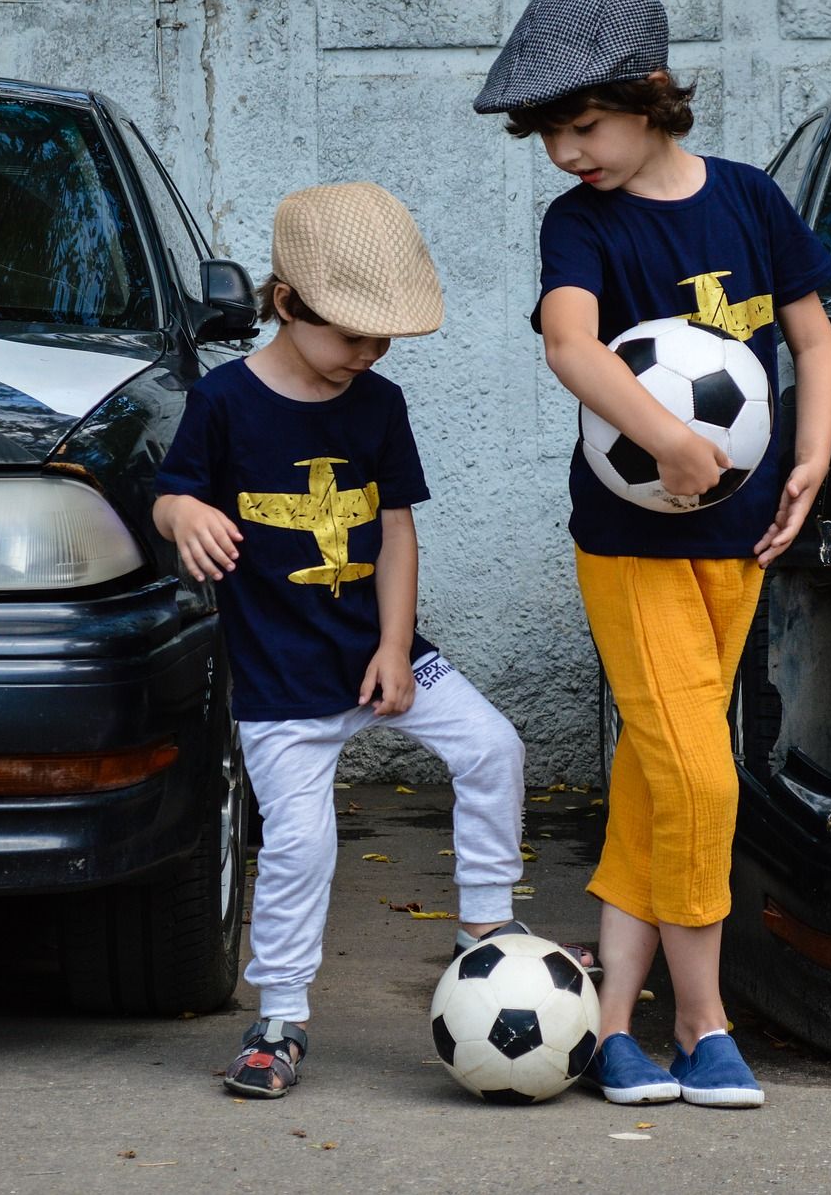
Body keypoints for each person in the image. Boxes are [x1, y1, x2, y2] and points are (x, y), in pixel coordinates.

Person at [474, 0, 831, 1108]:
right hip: (629, 549)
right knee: (702, 773)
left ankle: (611, 1025)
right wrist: (670, 442)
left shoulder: (747, 199)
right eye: (547, 135)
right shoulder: (579, 224)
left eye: (581, 125)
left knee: (651, 774)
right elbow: (572, 348)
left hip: (740, 541)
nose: (564, 153)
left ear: (650, 96)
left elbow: (813, 340)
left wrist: (812, 456)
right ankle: (703, 1021)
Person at [154, 182, 546, 1098]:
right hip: (282, 677)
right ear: (285, 304)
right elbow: (172, 491)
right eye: (351, 337)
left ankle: (485, 928)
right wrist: (184, 516)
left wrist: (397, 647)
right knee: (301, 843)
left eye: (382, 341)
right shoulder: (221, 403)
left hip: (378, 652)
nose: (367, 355)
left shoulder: (378, 404)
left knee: (493, 746)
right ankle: (279, 1020)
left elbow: (398, 528)